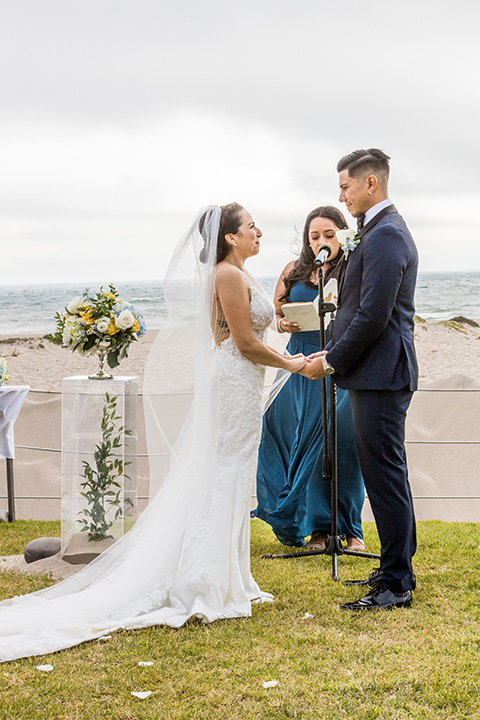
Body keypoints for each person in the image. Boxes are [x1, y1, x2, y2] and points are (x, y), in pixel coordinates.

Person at [0, 203, 307, 662]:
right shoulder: (226, 274)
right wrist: (293, 363)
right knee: (224, 470)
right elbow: (240, 342)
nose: (258, 231)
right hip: (235, 379)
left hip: (242, 380)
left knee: (235, 470)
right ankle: (206, 581)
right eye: (250, 227)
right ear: (229, 237)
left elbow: (240, 328)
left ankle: (232, 577)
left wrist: (280, 326)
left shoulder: (239, 272)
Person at [302, 149, 418, 610]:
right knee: (386, 473)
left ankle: (396, 583)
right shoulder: (375, 232)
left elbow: (373, 316)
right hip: (375, 373)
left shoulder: (387, 234)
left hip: (383, 374)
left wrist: (330, 361)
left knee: (385, 476)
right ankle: (396, 566)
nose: (341, 196)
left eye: (346, 187)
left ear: (371, 184)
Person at [253, 206, 365, 551]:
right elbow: (276, 314)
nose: (321, 242)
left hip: (337, 361)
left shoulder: (352, 267)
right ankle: (314, 528)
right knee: (287, 438)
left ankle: (351, 529)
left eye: (329, 235)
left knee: (339, 445)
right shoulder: (294, 270)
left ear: (342, 234)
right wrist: (283, 323)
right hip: (297, 361)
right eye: (314, 236)